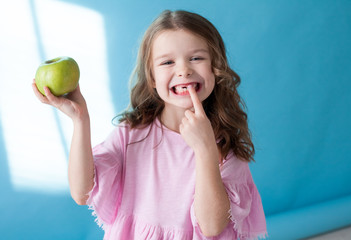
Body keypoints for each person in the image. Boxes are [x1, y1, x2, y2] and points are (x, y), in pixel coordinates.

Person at [32, 9, 267, 240]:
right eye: (167, 62)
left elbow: (212, 226)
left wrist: (205, 148)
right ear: (153, 78)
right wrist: (80, 119)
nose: (183, 70)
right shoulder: (131, 134)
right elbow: (81, 193)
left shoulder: (225, 145)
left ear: (215, 69)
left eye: (196, 58)